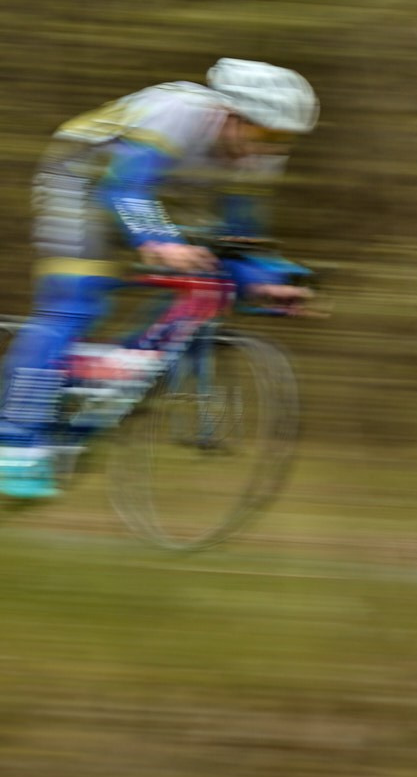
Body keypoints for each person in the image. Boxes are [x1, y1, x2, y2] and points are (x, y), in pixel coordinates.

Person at [0, 60, 317, 501]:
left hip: (160, 194)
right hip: (82, 180)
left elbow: (239, 240)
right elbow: (122, 189)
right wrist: (158, 240)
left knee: (212, 275)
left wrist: (265, 282)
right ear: (230, 114)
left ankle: (111, 372)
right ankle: (13, 440)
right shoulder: (178, 111)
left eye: (284, 140)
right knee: (77, 298)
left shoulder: (257, 158)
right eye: (266, 134)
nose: (268, 150)